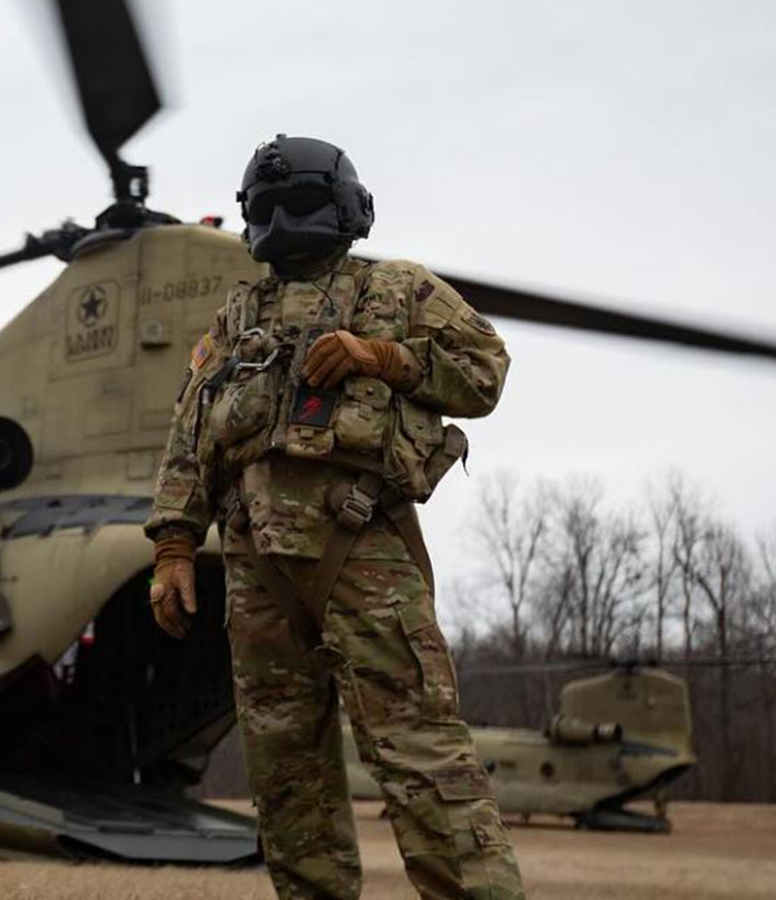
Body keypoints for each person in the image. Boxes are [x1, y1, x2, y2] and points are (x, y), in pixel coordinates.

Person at [145, 135, 525, 900]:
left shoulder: (401, 288)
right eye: (271, 206)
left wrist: (387, 358)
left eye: (303, 203)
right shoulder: (233, 319)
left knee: (421, 759)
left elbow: (486, 373)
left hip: (362, 553)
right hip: (255, 570)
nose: (286, 220)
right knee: (287, 782)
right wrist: (175, 545)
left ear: (345, 209)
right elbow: (190, 434)